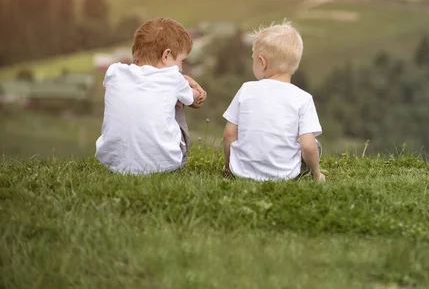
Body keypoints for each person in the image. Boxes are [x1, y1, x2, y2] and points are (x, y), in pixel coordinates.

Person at [96, 17, 207, 174]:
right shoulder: (173, 77)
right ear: (166, 55)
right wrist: (196, 90)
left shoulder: (115, 72)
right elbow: (195, 99)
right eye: (182, 61)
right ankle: (169, 156)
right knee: (178, 100)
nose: (181, 69)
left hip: (113, 164)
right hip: (164, 166)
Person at [222, 21, 324, 181]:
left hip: (241, 172)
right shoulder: (303, 98)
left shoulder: (246, 89)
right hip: (284, 176)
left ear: (262, 62)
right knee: (315, 144)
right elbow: (307, 145)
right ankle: (307, 173)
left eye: (253, 60)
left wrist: (228, 167)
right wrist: (317, 174)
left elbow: (229, 135)